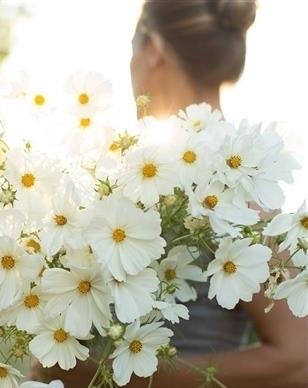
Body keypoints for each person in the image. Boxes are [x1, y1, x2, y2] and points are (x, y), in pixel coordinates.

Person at [32, 0, 308, 386]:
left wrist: (110, 376)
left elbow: (299, 360)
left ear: (154, 50)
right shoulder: (132, 172)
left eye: (132, 51)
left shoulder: (234, 186)